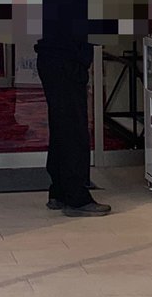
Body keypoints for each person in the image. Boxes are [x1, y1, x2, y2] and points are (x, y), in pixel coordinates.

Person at [35, 34, 110, 216]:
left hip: (53, 56)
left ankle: (59, 191)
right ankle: (76, 197)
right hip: (66, 60)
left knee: (61, 127)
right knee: (74, 130)